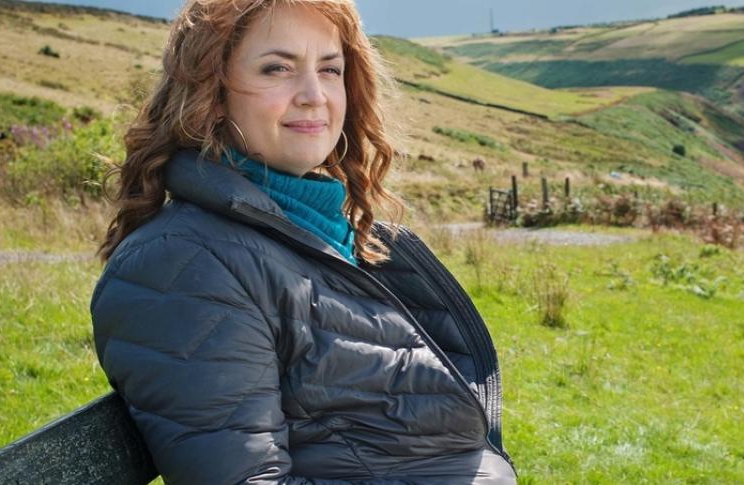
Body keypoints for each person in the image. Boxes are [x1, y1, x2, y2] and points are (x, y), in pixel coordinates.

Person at [89, 0, 515, 483]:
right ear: (210, 91)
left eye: (330, 69)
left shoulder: (321, 230)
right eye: (278, 68)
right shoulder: (183, 264)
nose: (315, 95)